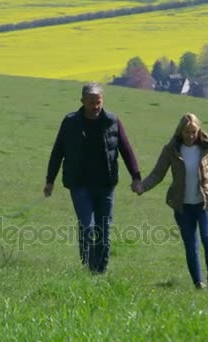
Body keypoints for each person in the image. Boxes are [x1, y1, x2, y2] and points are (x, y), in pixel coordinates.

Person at [44, 82, 142, 274]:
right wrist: (50, 181)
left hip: (105, 185)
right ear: (82, 101)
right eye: (91, 103)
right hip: (79, 185)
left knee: (103, 229)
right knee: (87, 227)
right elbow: (58, 151)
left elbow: (126, 149)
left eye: (98, 102)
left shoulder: (112, 121)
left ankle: (100, 271)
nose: (95, 107)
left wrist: (136, 177)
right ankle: (88, 267)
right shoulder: (70, 122)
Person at [133, 113, 208, 290]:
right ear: (180, 131)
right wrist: (143, 187)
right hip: (183, 206)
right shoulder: (171, 150)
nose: (190, 136)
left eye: (193, 132)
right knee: (190, 245)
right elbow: (158, 173)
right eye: (187, 132)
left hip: (205, 204)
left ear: (198, 131)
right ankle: (198, 283)